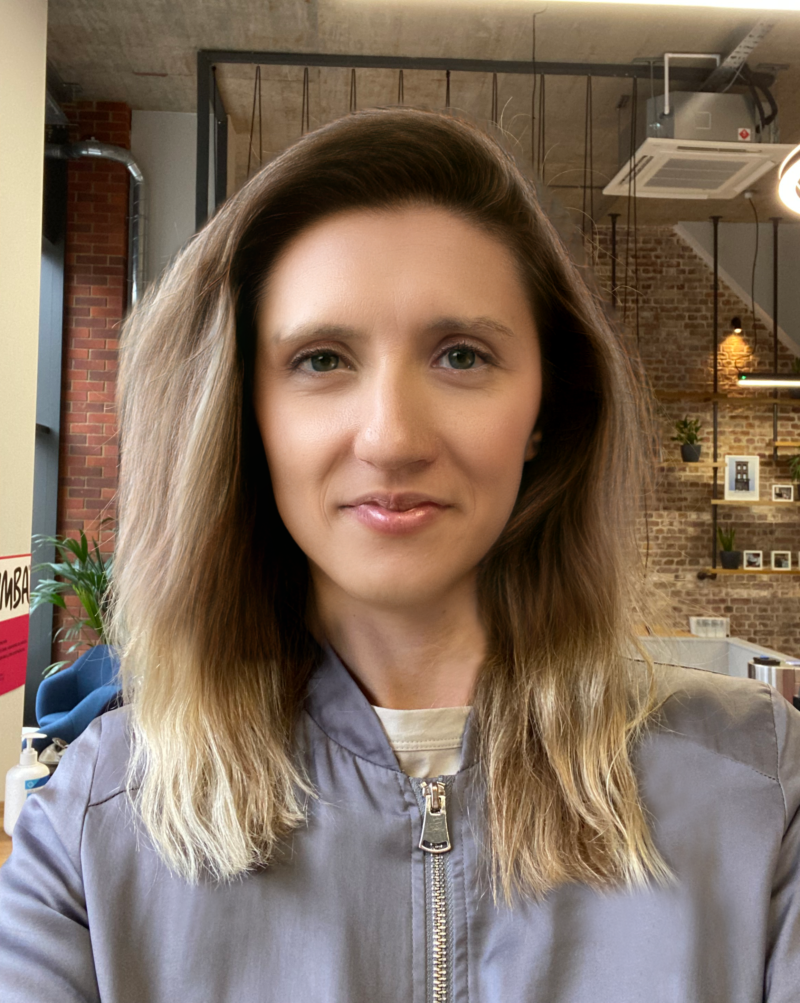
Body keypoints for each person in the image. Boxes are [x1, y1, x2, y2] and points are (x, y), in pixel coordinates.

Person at [1, 107, 799, 1002]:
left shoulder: (761, 788)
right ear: (245, 411)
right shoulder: (92, 828)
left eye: (461, 355)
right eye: (321, 359)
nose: (391, 438)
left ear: (546, 409)